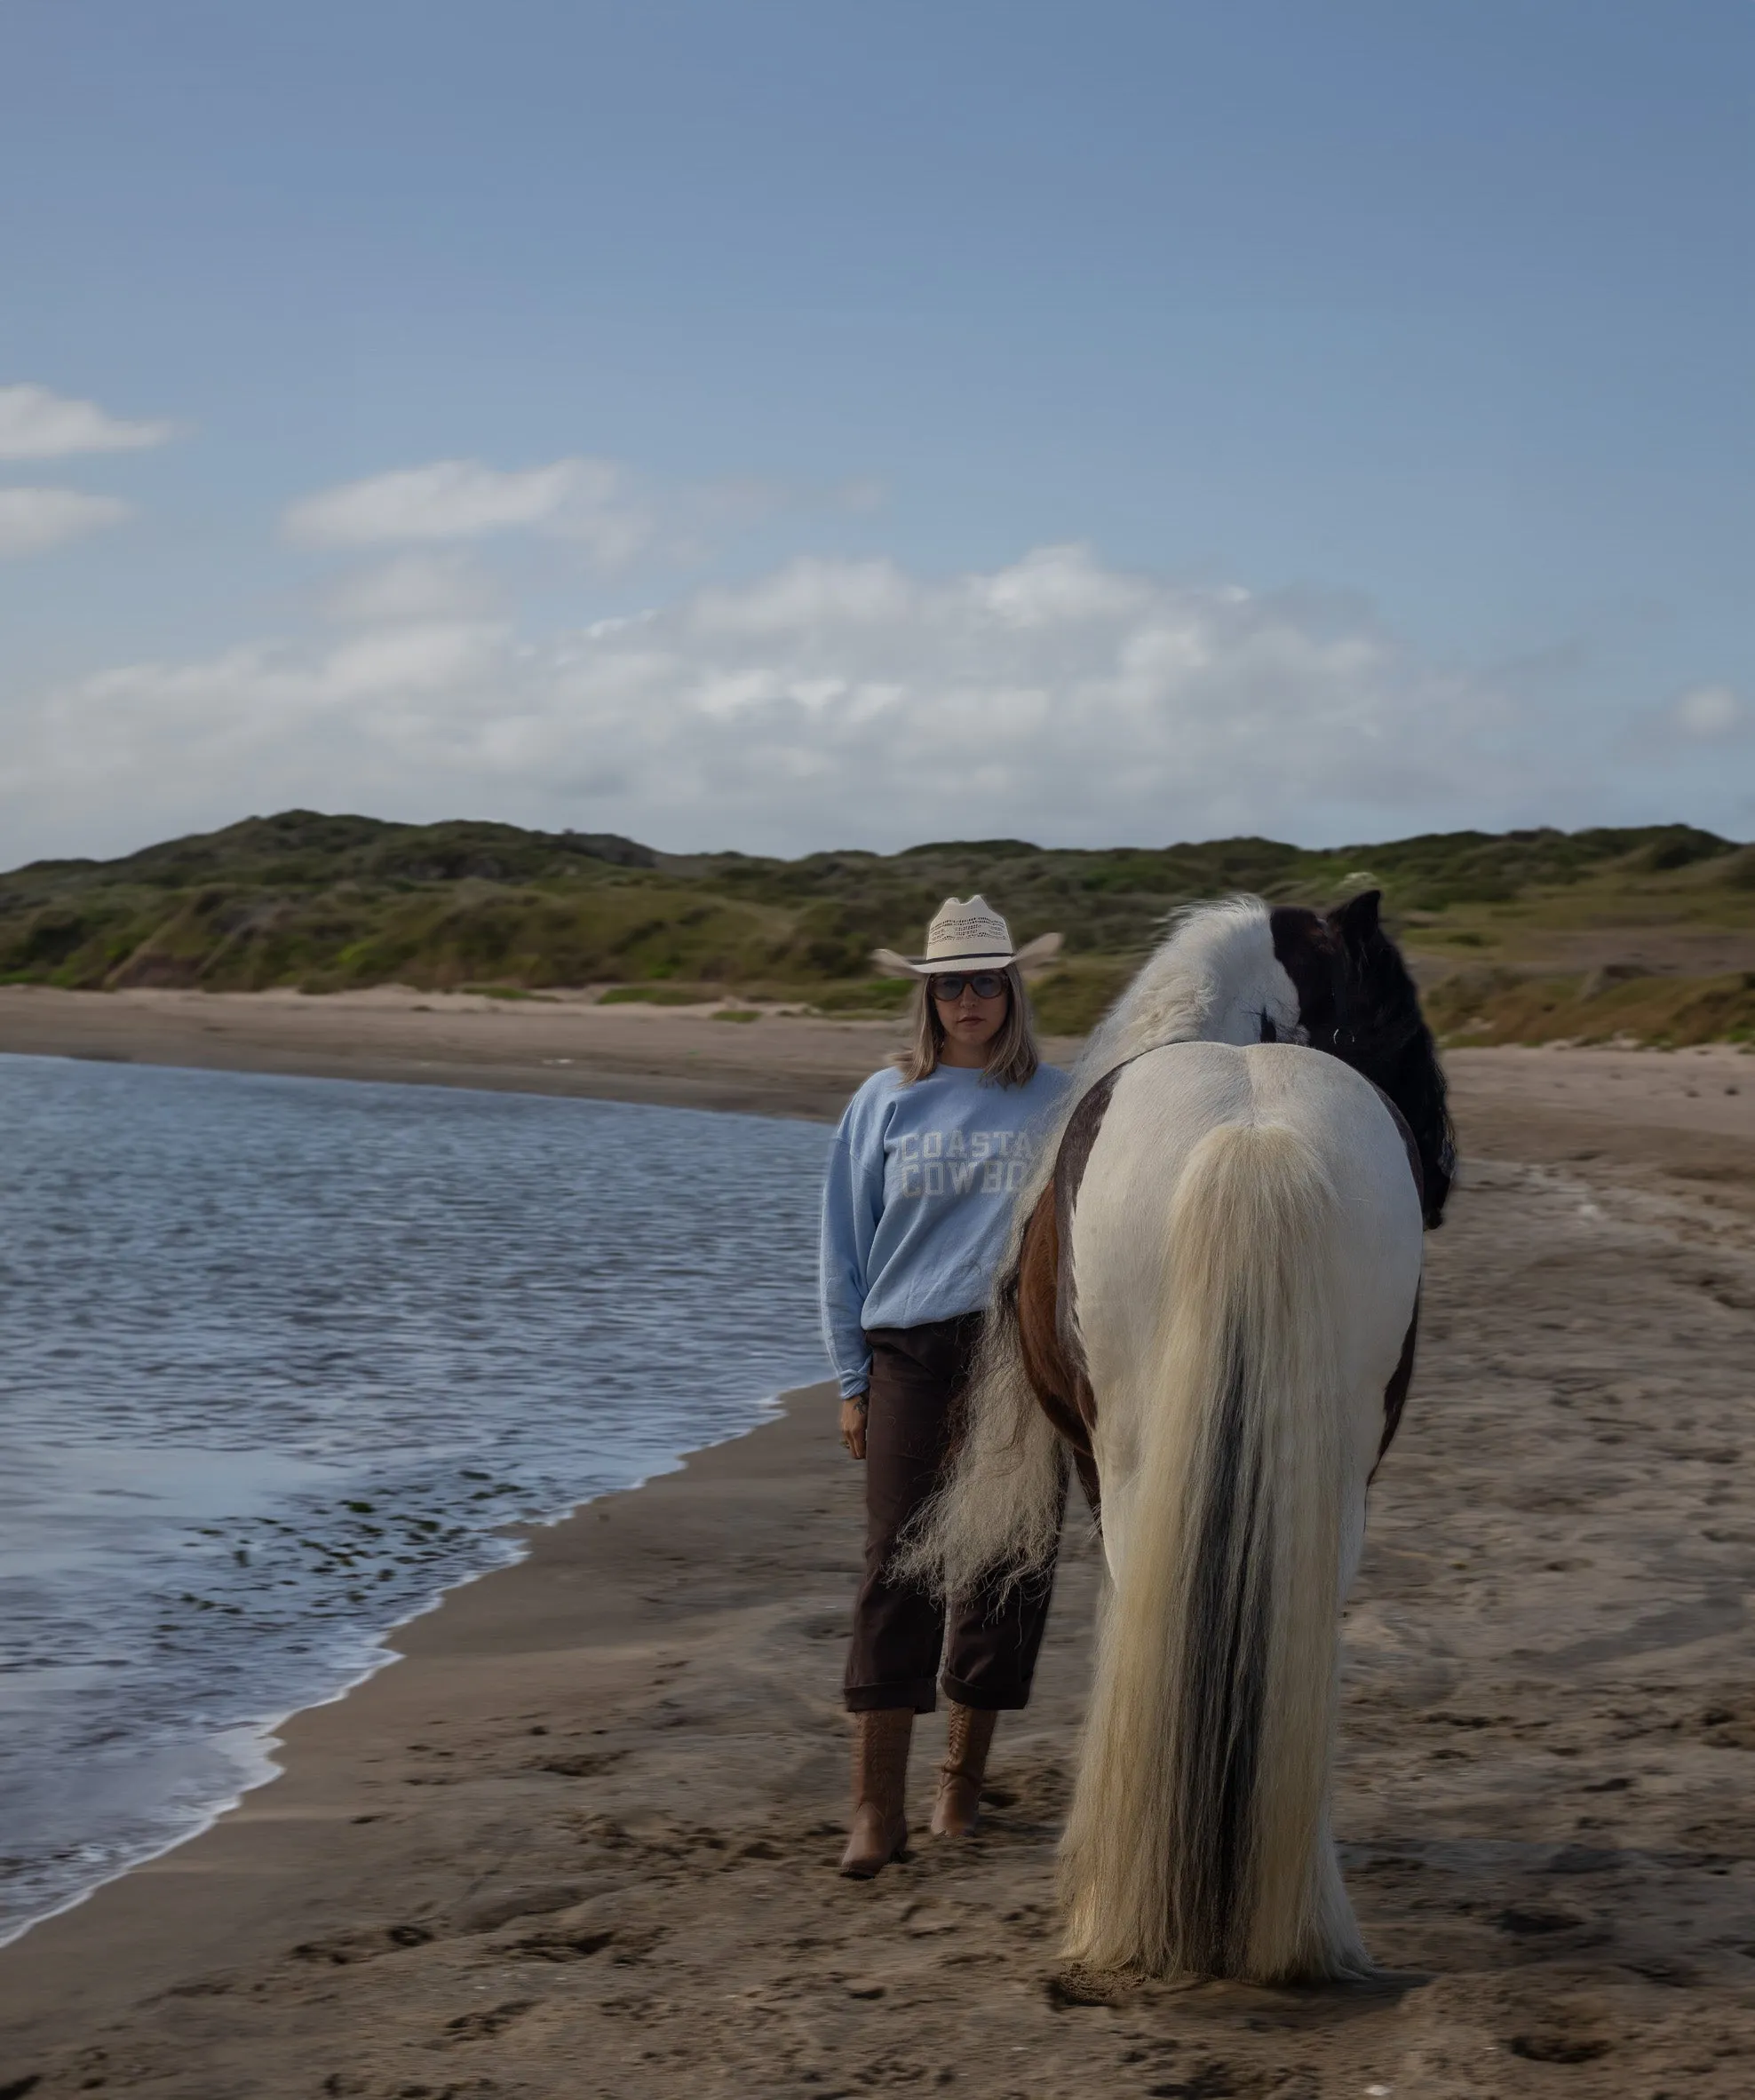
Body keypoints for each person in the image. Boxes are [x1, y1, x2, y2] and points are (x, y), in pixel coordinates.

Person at [819, 895, 1071, 1878]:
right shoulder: (883, 1100)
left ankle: (957, 1787)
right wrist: (851, 1379)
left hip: (1025, 1357)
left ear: (1012, 992)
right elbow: (840, 1249)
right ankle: (873, 1808)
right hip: (908, 1351)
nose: (969, 1000)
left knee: (1008, 1564)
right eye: (951, 985)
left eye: (987, 982)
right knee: (898, 1566)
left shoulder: (1062, 1096)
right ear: (926, 997)